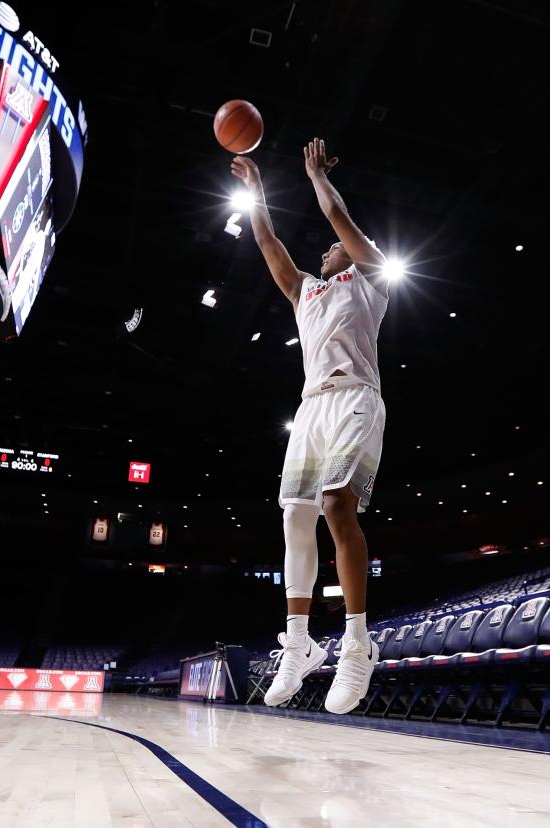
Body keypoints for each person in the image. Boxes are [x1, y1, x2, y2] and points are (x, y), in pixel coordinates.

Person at [231, 138, 389, 714]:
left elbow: (337, 217)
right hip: (312, 407)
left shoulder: (371, 281)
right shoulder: (305, 291)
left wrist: (316, 177)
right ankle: (299, 644)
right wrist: (257, 194)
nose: (328, 249)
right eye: (325, 249)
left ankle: (356, 642)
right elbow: (268, 242)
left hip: (355, 399)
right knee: (295, 516)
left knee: (335, 506)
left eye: (337, 248)